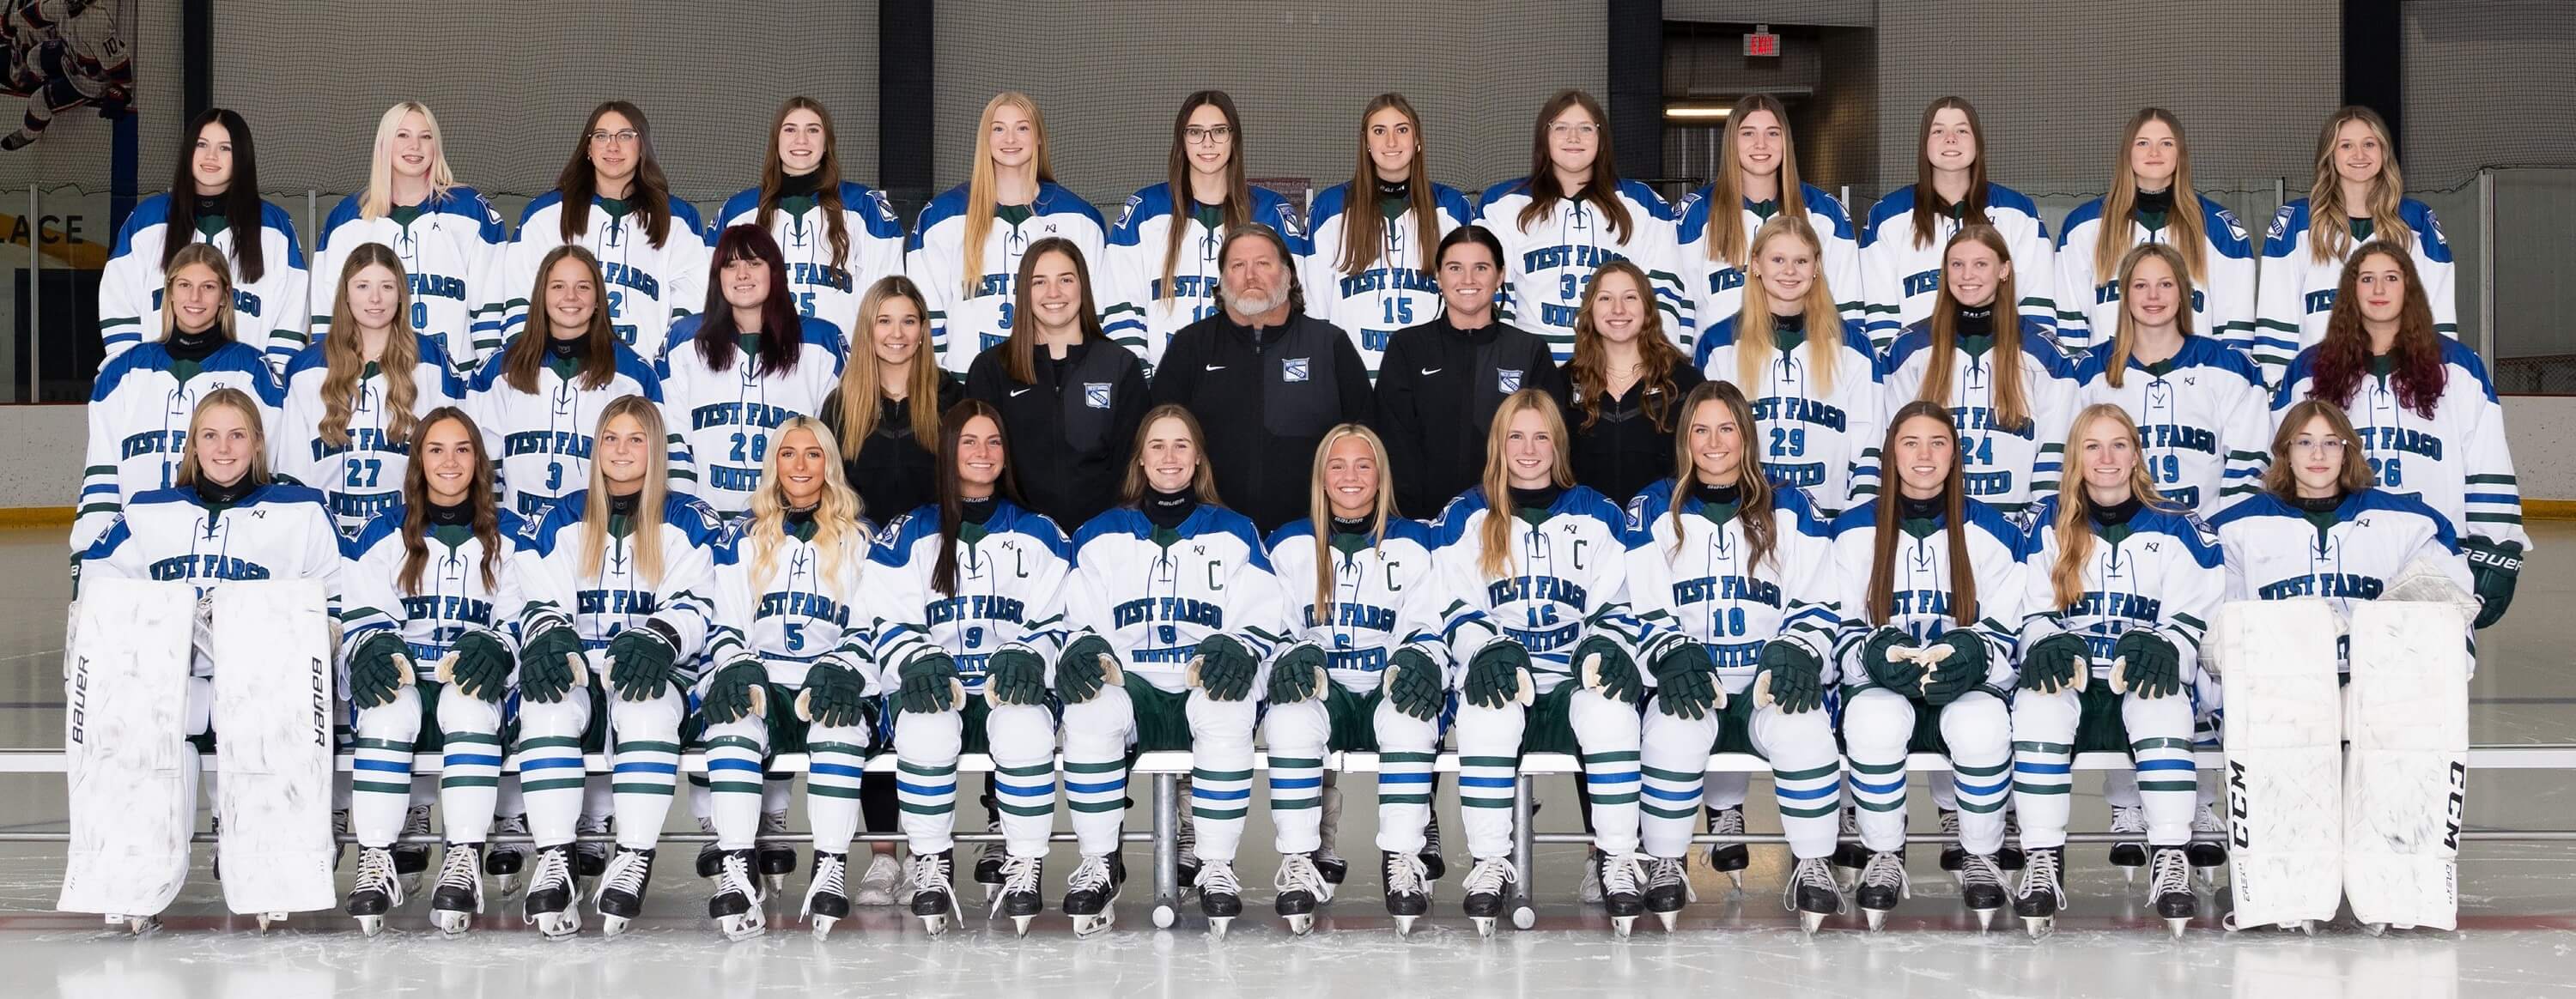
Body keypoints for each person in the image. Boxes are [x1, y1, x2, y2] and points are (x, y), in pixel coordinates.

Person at [76, 389, 341, 931]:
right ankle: (134, 873)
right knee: (141, 720)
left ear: (258, 443)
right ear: (192, 445)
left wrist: (324, 630)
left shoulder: (301, 510)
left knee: (261, 718)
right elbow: (99, 585)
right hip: (170, 684)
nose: (224, 449)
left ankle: (270, 868)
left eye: (237, 435)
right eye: (210, 436)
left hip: (264, 686)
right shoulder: (147, 510)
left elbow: (336, 591)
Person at [1427, 389, 1662, 936]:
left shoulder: (1599, 512)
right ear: (1498, 444)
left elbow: (1617, 603)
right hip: (1502, 672)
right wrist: (1486, 648)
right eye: (1516, 437)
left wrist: (1603, 647)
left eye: (1540, 437)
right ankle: (1490, 862)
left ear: (1558, 444)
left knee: (1612, 710)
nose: (1528, 450)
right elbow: (1450, 604)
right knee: (1485, 710)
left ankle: (1617, 858)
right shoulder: (1464, 515)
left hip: (1573, 673)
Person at [1056, 404, 1290, 937]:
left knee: (1226, 704)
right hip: (1130, 685)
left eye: (1181, 444)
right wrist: (1085, 650)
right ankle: (1099, 861)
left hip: (1200, 682)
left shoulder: (1235, 531)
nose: (1169, 456)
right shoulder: (1100, 534)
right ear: (1140, 459)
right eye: (1157, 445)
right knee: (1089, 708)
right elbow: (1079, 620)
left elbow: (1263, 616)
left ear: (1198, 457)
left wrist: (1239, 646)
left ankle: (1215, 865)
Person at [1625, 381, 1848, 933]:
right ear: (1685, 438)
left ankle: (1814, 862)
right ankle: (1667, 860)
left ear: (1746, 435)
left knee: (1804, 729)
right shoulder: (1652, 507)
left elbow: (1819, 600)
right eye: (1701, 430)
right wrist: (1672, 653)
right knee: (1670, 734)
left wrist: (1796, 650)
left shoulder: (1791, 505)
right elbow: (1642, 605)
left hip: (1766, 680)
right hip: (1694, 679)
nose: (1714, 442)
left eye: (1726, 429)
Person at [507, 396, 725, 939]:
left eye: (635, 439)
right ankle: (555, 855)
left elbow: (697, 602)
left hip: (657, 670)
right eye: (610, 438)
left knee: (646, 704)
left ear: (656, 448)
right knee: (545, 703)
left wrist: (658, 639)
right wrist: (551, 636)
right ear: (596, 447)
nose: (621, 450)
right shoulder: (561, 516)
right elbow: (537, 597)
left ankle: (633, 855)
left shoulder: (688, 518)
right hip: (581, 667)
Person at [2008, 403, 2223, 938]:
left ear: (2136, 455)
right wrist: (2045, 641)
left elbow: (2195, 615)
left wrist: (2166, 646)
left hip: (2137, 674)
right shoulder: (2044, 525)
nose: (2106, 457)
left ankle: (2170, 853)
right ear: (2075, 458)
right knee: (2037, 704)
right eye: (2093, 446)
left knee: (2162, 702)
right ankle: (2042, 856)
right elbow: (2028, 610)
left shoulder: (2179, 526)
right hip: (2076, 677)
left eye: (2118, 445)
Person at [867, 399, 1077, 935]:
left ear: (1006, 454)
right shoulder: (909, 532)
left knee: (1024, 723)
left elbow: (1061, 618)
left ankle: (1024, 863)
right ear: (948, 450)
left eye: (993, 442)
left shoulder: (1041, 532)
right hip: (942, 686)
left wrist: (1030, 654)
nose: (983, 452)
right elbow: (885, 616)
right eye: (969, 441)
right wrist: (916, 659)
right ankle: (931, 862)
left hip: (1009, 688)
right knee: (925, 721)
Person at [1829, 401, 2028, 932]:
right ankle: (1883, 853)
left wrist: (1976, 655)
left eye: (1937, 443)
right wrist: (1871, 655)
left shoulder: (1995, 529)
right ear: (1890, 453)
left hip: (1966, 685)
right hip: (1883, 683)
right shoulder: (1851, 529)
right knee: (1873, 720)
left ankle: (1980, 854)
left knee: (1981, 724)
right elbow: (1836, 623)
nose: (1924, 455)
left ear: (1955, 454)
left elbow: (2010, 622)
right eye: (1910, 442)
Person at [335, 407, 527, 936]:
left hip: (473, 680)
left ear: (479, 460)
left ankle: (463, 856)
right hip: (407, 676)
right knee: (385, 708)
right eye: (435, 449)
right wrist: (373, 646)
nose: (449, 461)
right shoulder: (382, 532)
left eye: (462, 449)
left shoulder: (512, 534)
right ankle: (376, 858)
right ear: (418, 460)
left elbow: (520, 617)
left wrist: (497, 647)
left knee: (470, 701)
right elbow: (363, 614)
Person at [697, 416, 887, 941]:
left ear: (830, 463)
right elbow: (724, 624)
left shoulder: (861, 539)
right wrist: (736, 665)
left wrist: (842, 668)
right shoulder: (742, 538)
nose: (800, 465)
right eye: (788, 453)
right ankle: (737, 868)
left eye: (813, 454)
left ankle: (830, 867)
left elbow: (871, 625)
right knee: (731, 721)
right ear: (773, 464)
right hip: (767, 680)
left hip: (834, 679)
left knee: (838, 725)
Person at [1260, 424, 1452, 935]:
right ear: (1321, 477)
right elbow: (1271, 626)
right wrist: (1289, 653)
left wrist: (1421, 658)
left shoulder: (1417, 541)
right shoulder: (1288, 543)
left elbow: (1432, 623)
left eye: (1364, 465)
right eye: (1338, 465)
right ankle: (1299, 859)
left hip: (1385, 685)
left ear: (1381, 476)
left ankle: (1403, 860)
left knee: (1412, 714)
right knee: (1289, 716)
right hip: (1326, 690)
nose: (1351, 476)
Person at [2277, 243, 2523, 629]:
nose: (2379, 290)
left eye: (2391, 278)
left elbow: (2487, 460)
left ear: (2409, 287)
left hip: (2434, 554)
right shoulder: (2309, 369)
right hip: (2340, 557)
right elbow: (2283, 462)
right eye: (2367, 279)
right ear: (2351, 290)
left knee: (2430, 665)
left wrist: (2497, 544)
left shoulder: (2459, 366)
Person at [1148, 223, 1374, 534]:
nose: (1250, 276)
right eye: (1237, 265)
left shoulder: (1329, 344)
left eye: (1263, 263)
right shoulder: (1191, 346)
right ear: (1222, 280)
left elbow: (1368, 441)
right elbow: (1154, 438)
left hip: (1311, 537)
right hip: (1210, 536)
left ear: (1288, 275)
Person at [77, 244, 284, 560]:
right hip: (136, 546)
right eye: (185, 285)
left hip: (226, 550)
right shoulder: (122, 373)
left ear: (225, 296)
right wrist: (89, 551)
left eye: (208, 287)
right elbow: (101, 476)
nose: (195, 298)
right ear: (169, 293)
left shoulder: (255, 372)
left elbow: (269, 471)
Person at [2209, 398, 2475, 635]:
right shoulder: (2234, 530)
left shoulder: (2410, 523)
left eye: (2331, 443)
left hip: (2381, 671)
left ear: (2346, 453)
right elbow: (2220, 635)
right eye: (2304, 442)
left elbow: (2449, 616)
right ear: (2286, 452)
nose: (2318, 454)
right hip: (2278, 673)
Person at [1881, 225, 2081, 521]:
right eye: (1957, 265)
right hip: (1935, 525)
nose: (1967, 275)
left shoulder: (2043, 351)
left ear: (2004, 270)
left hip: (2014, 528)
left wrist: (2037, 524)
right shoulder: (1908, 348)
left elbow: (2057, 450)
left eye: (1980, 264)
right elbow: (1892, 445)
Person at [1692, 215, 1886, 518]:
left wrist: (1855, 521)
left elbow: (1869, 443)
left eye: (1801, 261)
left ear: (1816, 267)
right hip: (1745, 518)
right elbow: (1704, 441)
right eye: (1778, 259)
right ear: (1756, 265)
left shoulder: (1853, 347)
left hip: (1830, 522)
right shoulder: (1718, 345)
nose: (1790, 271)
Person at [463, 245, 677, 519]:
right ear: (541, 295)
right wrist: (496, 527)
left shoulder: (634, 375)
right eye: (558, 286)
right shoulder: (499, 370)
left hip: (599, 531)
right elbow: (479, 466)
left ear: (599, 298)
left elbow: (653, 465)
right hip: (517, 533)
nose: (571, 296)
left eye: (583, 287)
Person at [1374, 224, 1570, 520]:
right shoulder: (1408, 347)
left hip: (1507, 518)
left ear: (1500, 276)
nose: (1468, 279)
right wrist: (1412, 518)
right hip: (1422, 521)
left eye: (1481, 268)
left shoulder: (1529, 350)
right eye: (1455, 268)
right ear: (1438, 276)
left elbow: (1551, 440)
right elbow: (1393, 441)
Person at [1104, 90, 1309, 372]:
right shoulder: (1144, 211)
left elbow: (1293, 308)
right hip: (1163, 386)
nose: (1207, 142)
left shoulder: (1272, 212)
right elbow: (1121, 307)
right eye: (1195, 132)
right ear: (1181, 140)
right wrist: (1142, 381)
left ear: (1234, 138)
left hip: (1248, 385)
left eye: (1219, 131)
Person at [2254, 106, 2458, 387]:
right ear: (2330, 154)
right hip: (2319, 388)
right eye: (2346, 145)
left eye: (2369, 144)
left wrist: (2434, 382)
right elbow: (2276, 313)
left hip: (2399, 388)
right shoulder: (2297, 221)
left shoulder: (2416, 222)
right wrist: (2277, 387)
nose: (2359, 155)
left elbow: (2437, 314)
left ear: (2384, 151)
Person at [276, 244, 468, 537]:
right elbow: (294, 475)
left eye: (387, 286)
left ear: (401, 294)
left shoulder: (430, 361)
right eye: (363, 286)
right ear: (345, 294)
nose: (375, 298)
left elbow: (453, 459)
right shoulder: (306, 368)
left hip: (408, 535)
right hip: (327, 537)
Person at [654, 224, 847, 518]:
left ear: (774, 272)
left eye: (754, 263)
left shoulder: (822, 342)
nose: (742, 274)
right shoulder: (685, 340)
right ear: (717, 276)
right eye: (730, 265)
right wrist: (687, 515)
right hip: (704, 522)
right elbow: (673, 438)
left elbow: (836, 441)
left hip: (790, 522)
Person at [1476, 89, 1683, 360]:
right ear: (1544, 136)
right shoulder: (1504, 203)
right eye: (1561, 128)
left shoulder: (1642, 204)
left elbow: (1663, 294)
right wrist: (1502, 364)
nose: (1573, 138)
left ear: (1601, 137)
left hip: (1617, 366)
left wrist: (1659, 364)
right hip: (1533, 366)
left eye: (1585, 128)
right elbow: (1493, 292)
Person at [910, 92, 1109, 374]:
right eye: (999, 129)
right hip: (967, 383)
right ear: (985, 138)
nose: (1011, 139)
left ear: (1038, 137)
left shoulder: (1079, 218)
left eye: (1022, 128)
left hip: (1055, 382)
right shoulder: (942, 217)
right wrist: (939, 382)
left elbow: (1097, 308)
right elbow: (926, 310)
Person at [100, 108, 308, 372]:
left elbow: (292, 311)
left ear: (242, 156)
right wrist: (132, 374)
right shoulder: (148, 219)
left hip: (244, 387)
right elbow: (118, 301)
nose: (211, 156)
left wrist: (270, 379)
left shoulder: (273, 226)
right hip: (156, 384)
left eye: (225, 148)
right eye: (202, 144)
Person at [2073, 244, 2271, 521]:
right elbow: (2072, 467)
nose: (2153, 295)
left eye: (2165, 284)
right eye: (2140, 285)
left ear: (2184, 293)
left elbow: (2247, 471)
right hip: (2115, 533)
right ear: (2125, 294)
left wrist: (2221, 534)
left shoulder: (2229, 368)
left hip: (2208, 535)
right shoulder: (2087, 372)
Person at [963, 237, 1150, 530]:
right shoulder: (991, 369)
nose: (1054, 292)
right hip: (1018, 539)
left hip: (1103, 538)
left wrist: (1108, 532)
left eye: (1065, 279)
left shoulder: (1119, 365)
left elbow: (1134, 466)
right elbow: (980, 463)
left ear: (1082, 286)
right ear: (1024, 291)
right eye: (1039, 282)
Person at [312, 102, 510, 376]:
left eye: (425, 137)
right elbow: (328, 310)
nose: (415, 146)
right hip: (369, 381)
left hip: (454, 381)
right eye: (403, 135)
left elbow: (489, 305)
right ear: (384, 144)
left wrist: (488, 377)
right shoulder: (347, 218)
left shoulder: (470, 210)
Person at [501, 101, 709, 355]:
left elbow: (692, 303)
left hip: (645, 371)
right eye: (601, 136)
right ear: (588, 149)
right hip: (561, 367)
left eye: (625, 136)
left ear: (642, 146)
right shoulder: (545, 213)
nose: (613, 146)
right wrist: (529, 362)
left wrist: (670, 366)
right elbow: (519, 293)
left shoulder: (678, 218)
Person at [1859, 97, 2058, 356]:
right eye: (1938, 131)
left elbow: (2037, 306)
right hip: (1917, 370)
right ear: (1924, 143)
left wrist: (2028, 366)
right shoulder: (1887, 216)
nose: (1950, 139)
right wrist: (1895, 369)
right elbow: (1880, 318)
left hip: (2004, 367)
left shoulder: (2018, 212)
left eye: (1962, 130)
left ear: (1978, 142)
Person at [2051, 108, 2257, 355]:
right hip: (2107, 374)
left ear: (2181, 153)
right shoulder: (2083, 225)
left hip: (2195, 375)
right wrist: (2077, 375)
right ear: (2127, 152)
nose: (2154, 152)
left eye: (2166, 143)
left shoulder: (2217, 227)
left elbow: (2235, 328)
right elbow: (2071, 323)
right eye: (2142, 143)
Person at [1302, 94, 1476, 379]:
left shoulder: (1452, 207)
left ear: (1417, 140)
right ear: (1366, 143)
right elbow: (1315, 308)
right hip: (1355, 379)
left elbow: (1471, 300)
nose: (1391, 142)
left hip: (1432, 376)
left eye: (1402, 130)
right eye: (1379, 131)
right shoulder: (1330, 208)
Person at [715, 97, 906, 343]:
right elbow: (713, 295)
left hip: (842, 359)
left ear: (827, 143)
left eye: (813, 130)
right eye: (790, 130)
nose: (801, 140)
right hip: (762, 357)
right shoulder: (737, 211)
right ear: (776, 140)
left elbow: (887, 298)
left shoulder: (865, 206)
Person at [1674, 94, 1863, 342]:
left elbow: (1847, 311)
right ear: (1731, 141)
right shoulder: (1695, 214)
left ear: (1786, 141)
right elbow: (1680, 312)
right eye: (1748, 133)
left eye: (1773, 133)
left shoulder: (1826, 213)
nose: (1761, 144)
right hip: (1719, 362)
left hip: (1807, 361)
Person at [825, 275, 967, 527]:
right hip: (860, 546)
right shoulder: (839, 407)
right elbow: (828, 494)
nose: (897, 333)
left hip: (936, 545)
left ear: (923, 330)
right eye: (884, 321)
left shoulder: (953, 399)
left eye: (908, 321)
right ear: (867, 329)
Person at [1561, 260, 1704, 507]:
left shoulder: (1685, 383)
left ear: (1647, 308)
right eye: (1605, 298)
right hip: (1585, 525)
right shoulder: (1563, 383)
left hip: (1664, 524)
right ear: (1590, 310)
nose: (1618, 309)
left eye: (1630, 297)